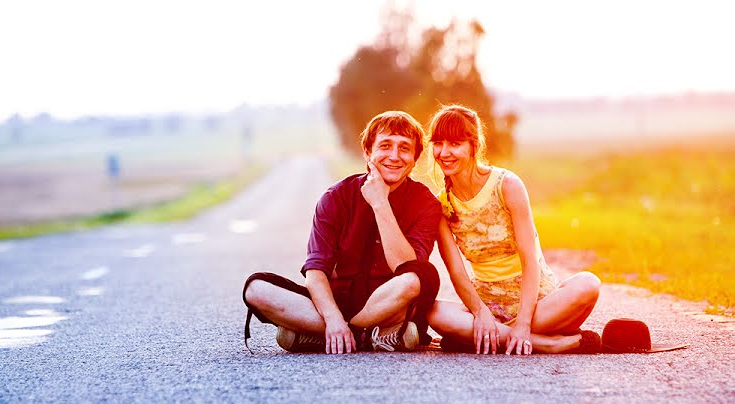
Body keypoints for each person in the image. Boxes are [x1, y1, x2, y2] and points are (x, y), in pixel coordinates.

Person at [243, 110, 442, 354]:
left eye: (404, 148)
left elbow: (406, 268)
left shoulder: (426, 204)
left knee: (417, 278)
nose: (394, 156)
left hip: (389, 307)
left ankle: (326, 334)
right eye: (385, 146)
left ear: (414, 158)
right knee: (256, 289)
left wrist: (381, 204)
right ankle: (364, 336)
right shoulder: (335, 197)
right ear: (368, 152)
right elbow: (316, 271)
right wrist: (334, 319)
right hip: (335, 304)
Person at [426, 105, 602, 354]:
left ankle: (493, 336)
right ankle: (548, 343)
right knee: (434, 312)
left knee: (588, 284)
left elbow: (530, 259)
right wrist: (479, 312)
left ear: (473, 145)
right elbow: (457, 272)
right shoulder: (440, 203)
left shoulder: (507, 185)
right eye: (438, 143)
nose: (444, 152)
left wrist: (523, 321)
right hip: (486, 308)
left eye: (454, 144)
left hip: (537, 304)